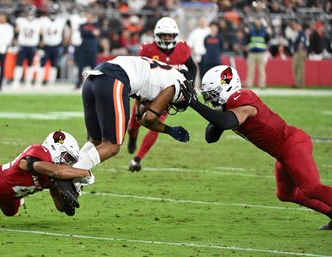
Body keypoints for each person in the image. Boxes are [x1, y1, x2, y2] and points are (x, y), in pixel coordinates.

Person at [181, 65, 332, 230]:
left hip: (292, 144)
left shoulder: (242, 97)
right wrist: (196, 104)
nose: (212, 100)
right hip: (282, 152)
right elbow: (211, 136)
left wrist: (194, 104)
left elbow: (225, 122)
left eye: (214, 95)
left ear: (226, 86)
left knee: (312, 188)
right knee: (285, 194)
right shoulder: (230, 105)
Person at [72, 56, 193, 194]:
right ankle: (68, 175)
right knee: (112, 146)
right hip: (114, 78)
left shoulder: (159, 75)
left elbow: (141, 117)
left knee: (96, 141)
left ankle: (66, 171)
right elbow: (149, 118)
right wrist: (170, 130)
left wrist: (170, 130)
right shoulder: (174, 82)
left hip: (94, 78)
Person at [0, 130, 95, 217]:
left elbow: (59, 204)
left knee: (10, 213)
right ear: (56, 148)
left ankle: (16, 198)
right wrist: (84, 172)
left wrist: (68, 200)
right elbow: (54, 170)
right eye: (67, 158)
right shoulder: (39, 152)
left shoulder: (53, 173)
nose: (67, 163)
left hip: (11, 194)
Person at [127, 17, 197, 172]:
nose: (166, 38)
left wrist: (190, 82)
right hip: (146, 93)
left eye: (169, 35)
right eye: (164, 35)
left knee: (154, 125)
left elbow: (192, 67)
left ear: (175, 35)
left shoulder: (183, 49)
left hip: (165, 96)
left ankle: (138, 158)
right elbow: (139, 73)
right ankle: (132, 137)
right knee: (133, 125)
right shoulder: (147, 49)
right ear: (157, 35)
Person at [36, 4, 69, 87]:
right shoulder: (43, 20)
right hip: (45, 45)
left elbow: (66, 32)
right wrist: (40, 40)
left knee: (54, 65)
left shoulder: (61, 21)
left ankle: (51, 82)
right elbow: (39, 31)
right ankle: (39, 81)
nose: (53, 14)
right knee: (42, 64)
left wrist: (65, 42)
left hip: (56, 45)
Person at [13, 6, 42, 88]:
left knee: (30, 65)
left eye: (31, 13)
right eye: (28, 13)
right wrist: (15, 43)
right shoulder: (20, 21)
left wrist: (40, 47)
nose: (30, 14)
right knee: (19, 64)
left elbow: (41, 34)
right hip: (22, 45)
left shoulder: (38, 22)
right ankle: (16, 81)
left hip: (32, 46)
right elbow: (16, 32)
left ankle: (28, 81)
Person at [74, 12, 100, 89]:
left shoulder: (96, 25)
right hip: (83, 49)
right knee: (80, 67)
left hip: (92, 49)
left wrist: (88, 33)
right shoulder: (82, 25)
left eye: (90, 17)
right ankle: (79, 84)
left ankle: (93, 84)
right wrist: (91, 32)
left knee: (94, 68)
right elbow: (82, 33)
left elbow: (97, 33)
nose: (89, 18)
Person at [245, 17, 270, 89]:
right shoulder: (251, 30)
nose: (257, 22)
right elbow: (247, 39)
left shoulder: (264, 30)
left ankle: (262, 85)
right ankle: (249, 84)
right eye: (256, 20)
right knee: (250, 70)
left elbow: (268, 39)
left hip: (261, 53)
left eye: (259, 20)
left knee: (262, 70)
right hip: (252, 53)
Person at [292, 22, 307, 88]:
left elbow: (301, 43)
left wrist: (297, 51)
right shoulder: (298, 34)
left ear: (300, 26)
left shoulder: (302, 33)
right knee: (296, 67)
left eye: (297, 26)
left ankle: (300, 84)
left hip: (300, 52)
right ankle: (297, 83)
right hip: (298, 52)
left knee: (300, 68)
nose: (296, 27)